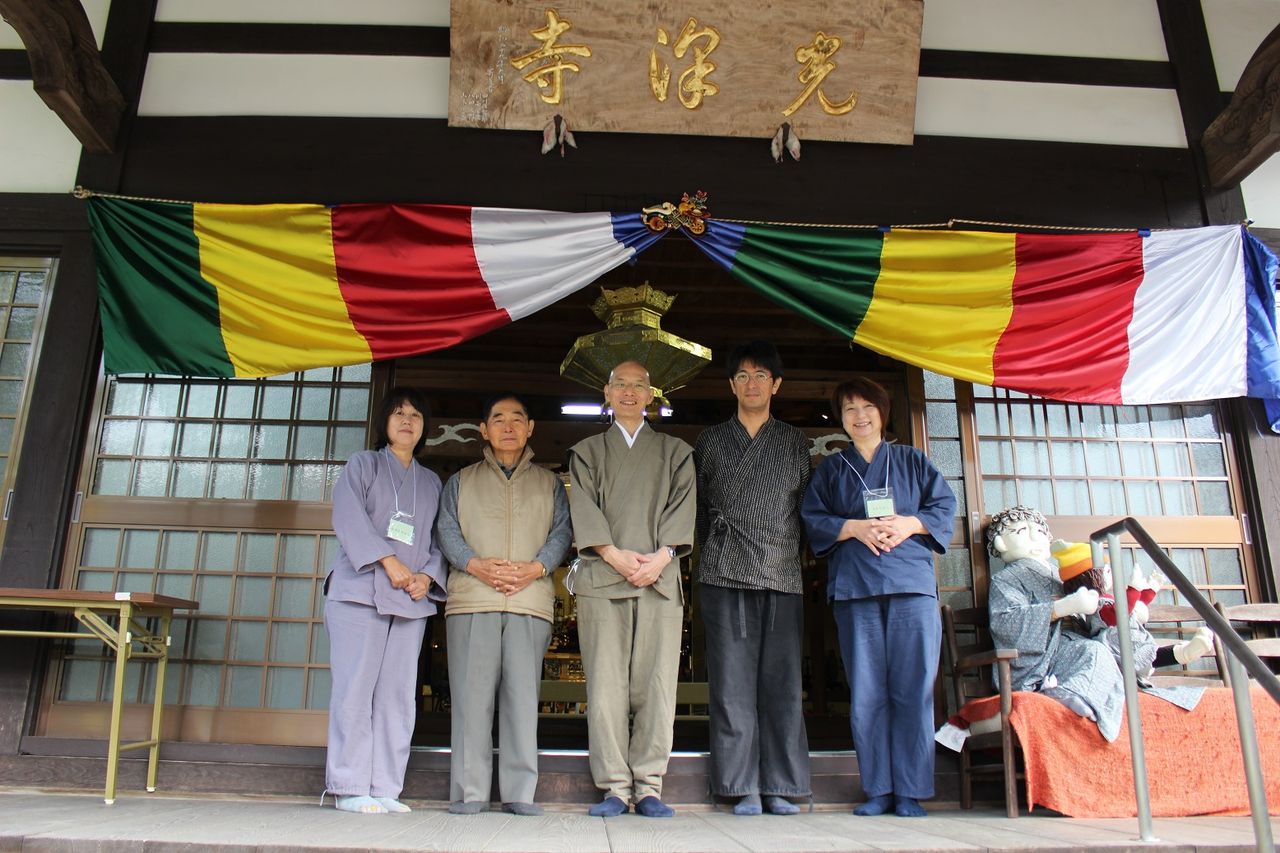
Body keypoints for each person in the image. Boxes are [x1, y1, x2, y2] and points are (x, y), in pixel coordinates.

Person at [800, 377, 955, 818]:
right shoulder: (832, 470)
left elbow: (943, 507)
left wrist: (909, 524)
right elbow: (813, 518)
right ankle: (878, 789)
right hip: (857, 589)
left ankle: (910, 790)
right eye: (850, 409)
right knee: (867, 691)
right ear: (841, 419)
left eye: (868, 407)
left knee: (914, 688)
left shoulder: (911, 460)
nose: (860, 416)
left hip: (911, 588)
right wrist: (853, 527)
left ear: (882, 414)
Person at [568, 360, 696, 818]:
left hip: (658, 580)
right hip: (605, 579)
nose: (628, 391)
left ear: (650, 394)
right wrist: (612, 554)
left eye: (638, 385)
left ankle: (649, 786)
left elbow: (683, 508)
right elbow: (583, 508)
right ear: (606, 393)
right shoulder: (586, 451)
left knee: (656, 686)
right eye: (619, 384)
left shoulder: (676, 452)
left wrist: (661, 557)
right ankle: (614, 788)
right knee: (605, 688)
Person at [434, 392, 572, 816]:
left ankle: (519, 792)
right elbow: (446, 531)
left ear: (530, 428)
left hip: (529, 601)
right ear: (484, 429)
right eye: (498, 418)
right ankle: (470, 791)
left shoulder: (550, 483)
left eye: (517, 419)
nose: (508, 426)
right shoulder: (461, 481)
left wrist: (537, 568)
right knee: (471, 700)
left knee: (522, 700)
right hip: (472, 599)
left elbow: (562, 533)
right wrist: (474, 564)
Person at [694, 341, 811, 816]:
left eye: (761, 375)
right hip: (723, 572)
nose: (752, 384)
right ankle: (740, 785)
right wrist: (714, 554)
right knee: (730, 684)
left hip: (781, 571)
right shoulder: (710, 441)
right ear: (731, 385)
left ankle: (780, 785)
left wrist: (792, 556)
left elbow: (805, 512)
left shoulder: (794, 442)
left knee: (782, 684)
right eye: (742, 376)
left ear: (776, 385)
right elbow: (699, 512)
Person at [323, 387, 446, 815]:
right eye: (398, 413)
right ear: (384, 422)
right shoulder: (363, 465)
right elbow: (347, 517)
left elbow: (438, 541)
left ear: (425, 427)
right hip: (359, 593)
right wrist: (389, 561)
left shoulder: (431, 482)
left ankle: (385, 786)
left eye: (415, 415)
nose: (407, 421)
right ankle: (349, 784)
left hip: (410, 599)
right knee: (355, 689)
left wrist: (427, 576)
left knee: (397, 695)